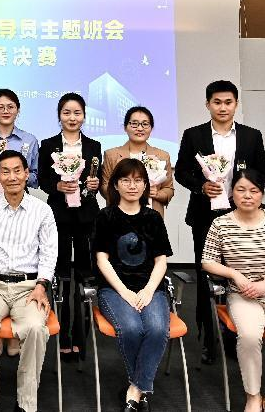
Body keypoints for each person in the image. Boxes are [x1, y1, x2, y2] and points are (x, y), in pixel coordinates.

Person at [174, 80, 265, 364]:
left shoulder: (251, 136)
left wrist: (244, 188)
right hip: (205, 215)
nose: (223, 107)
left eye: (228, 102)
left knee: (240, 273)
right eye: (217, 102)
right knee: (207, 275)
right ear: (208, 104)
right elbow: (181, 172)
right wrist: (201, 186)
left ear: (236, 104)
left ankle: (235, 334)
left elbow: (262, 173)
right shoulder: (194, 135)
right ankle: (208, 338)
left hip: (242, 216)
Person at [202, 169, 265, 412]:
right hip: (243, 295)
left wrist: (264, 284)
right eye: (241, 190)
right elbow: (208, 261)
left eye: (254, 191)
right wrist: (235, 274)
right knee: (248, 337)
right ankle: (253, 396)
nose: (247, 196)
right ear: (231, 193)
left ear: (262, 194)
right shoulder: (220, 224)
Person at [0, 150, 58, 412]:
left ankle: (26, 402)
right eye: (5, 171)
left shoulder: (42, 210)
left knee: (35, 327)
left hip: (29, 288)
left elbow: (49, 253)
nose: (12, 177)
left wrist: (41, 285)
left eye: (17, 170)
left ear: (26, 173)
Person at [92, 158, 172, 412]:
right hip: (114, 289)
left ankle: (135, 390)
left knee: (157, 329)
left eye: (138, 180)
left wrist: (148, 290)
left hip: (151, 288)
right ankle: (142, 388)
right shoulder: (105, 217)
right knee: (131, 328)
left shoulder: (153, 218)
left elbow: (161, 261)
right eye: (125, 180)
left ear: (146, 184)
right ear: (115, 185)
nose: (132, 185)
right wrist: (125, 292)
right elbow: (102, 260)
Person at [38, 93, 101, 361]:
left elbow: (96, 180)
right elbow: (42, 179)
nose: (72, 118)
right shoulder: (48, 145)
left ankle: (81, 335)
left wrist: (94, 186)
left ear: (84, 116)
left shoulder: (94, 146)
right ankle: (62, 333)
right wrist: (57, 186)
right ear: (59, 115)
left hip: (86, 217)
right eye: (66, 112)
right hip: (59, 216)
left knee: (85, 275)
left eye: (77, 113)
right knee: (61, 275)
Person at [101, 106, 174, 216]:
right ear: (125, 127)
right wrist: (123, 192)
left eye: (145, 124)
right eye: (134, 124)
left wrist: (157, 194)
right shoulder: (111, 155)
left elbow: (168, 188)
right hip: (118, 215)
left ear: (151, 128)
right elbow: (104, 185)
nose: (140, 128)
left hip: (151, 216)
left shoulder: (162, 156)